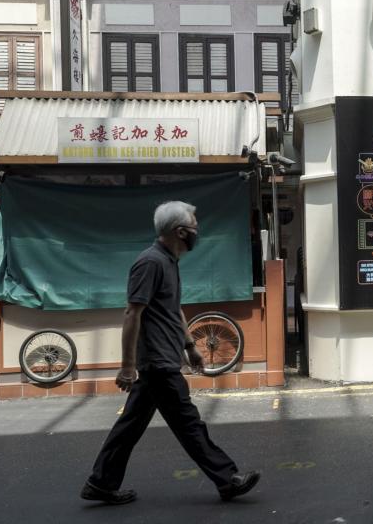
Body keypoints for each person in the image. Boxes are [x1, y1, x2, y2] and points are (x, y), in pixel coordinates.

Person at [81, 201, 260, 504]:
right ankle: (227, 478)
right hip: (156, 361)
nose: (196, 233)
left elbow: (172, 307)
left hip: (164, 357)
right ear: (179, 231)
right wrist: (127, 367)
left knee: (130, 425)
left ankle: (101, 482)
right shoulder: (150, 262)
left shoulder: (168, 261)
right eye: (194, 228)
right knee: (189, 423)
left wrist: (190, 346)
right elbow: (132, 314)